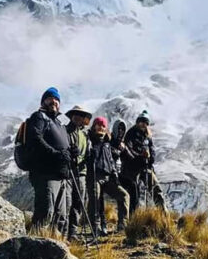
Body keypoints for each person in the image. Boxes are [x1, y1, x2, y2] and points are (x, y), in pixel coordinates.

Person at [26, 87, 74, 235]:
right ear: (43, 101)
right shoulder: (39, 117)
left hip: (61, 176)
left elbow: (63, 148)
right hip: (45, 174)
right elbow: (35, 139)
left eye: (57, 99)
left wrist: (71, 152)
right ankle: (34, 249)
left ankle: (57, 250)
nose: (54, 101)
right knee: (46, 212)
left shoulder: (59, 123)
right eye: (50, 98)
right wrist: (57, 154)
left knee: (61, 216)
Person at [87, 117, 130, 235]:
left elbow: (110, 160)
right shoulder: (89, 139)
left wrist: (114, 174)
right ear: (94, 126)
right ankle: (96, 228)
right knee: (95, 201)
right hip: (95, 175)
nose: (101, 127)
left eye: (103, 126)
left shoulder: (107, 142)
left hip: (108, 177)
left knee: (124, 195)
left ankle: (123, 225)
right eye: (98, 125)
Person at [120, 110, 166, 213]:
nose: (143, 124)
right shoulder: (131, 133)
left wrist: (150, 159)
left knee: (155, 189)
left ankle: (163, 215)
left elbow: (152, 150)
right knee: (134, 194)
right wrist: (141, 157)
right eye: (141, 121)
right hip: (132, 169)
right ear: (137, 122)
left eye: (145, 122)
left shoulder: (147, 136)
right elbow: (128, 150)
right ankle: (134, 218)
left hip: (146, 167)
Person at [64, 105, 92, 240]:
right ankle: (63, 233)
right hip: (68, 172)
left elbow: (86, 154)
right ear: (71, 116)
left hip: (81, 173)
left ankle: (73, 233)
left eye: (81, 115)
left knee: (78, 203)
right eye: (75, 115)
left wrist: (89, 157)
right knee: (67, 203)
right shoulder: (64, 131)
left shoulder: (84, 135)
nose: (78, 117)